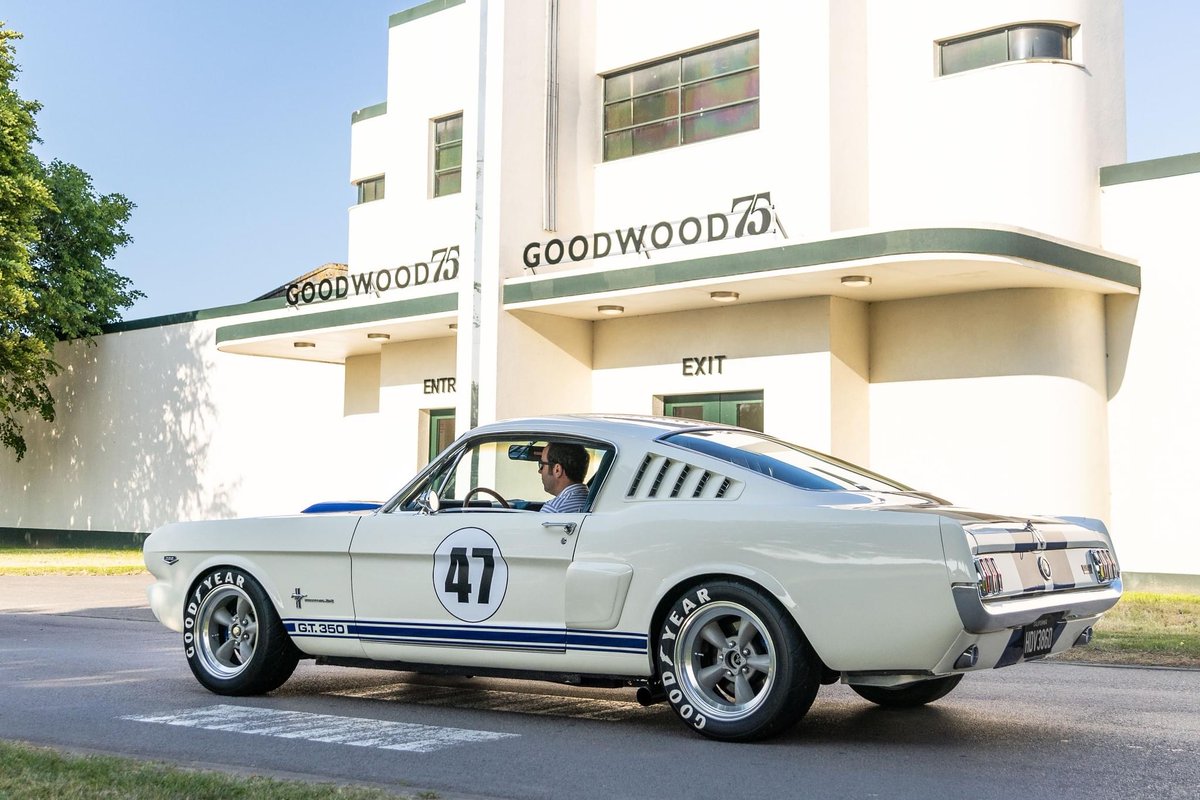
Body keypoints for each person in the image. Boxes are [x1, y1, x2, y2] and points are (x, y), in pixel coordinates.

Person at [538, 442, 590, 513]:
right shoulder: (592, 501)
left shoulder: (553, 510)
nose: (539, 471)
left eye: (542, 465)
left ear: (557, 470)